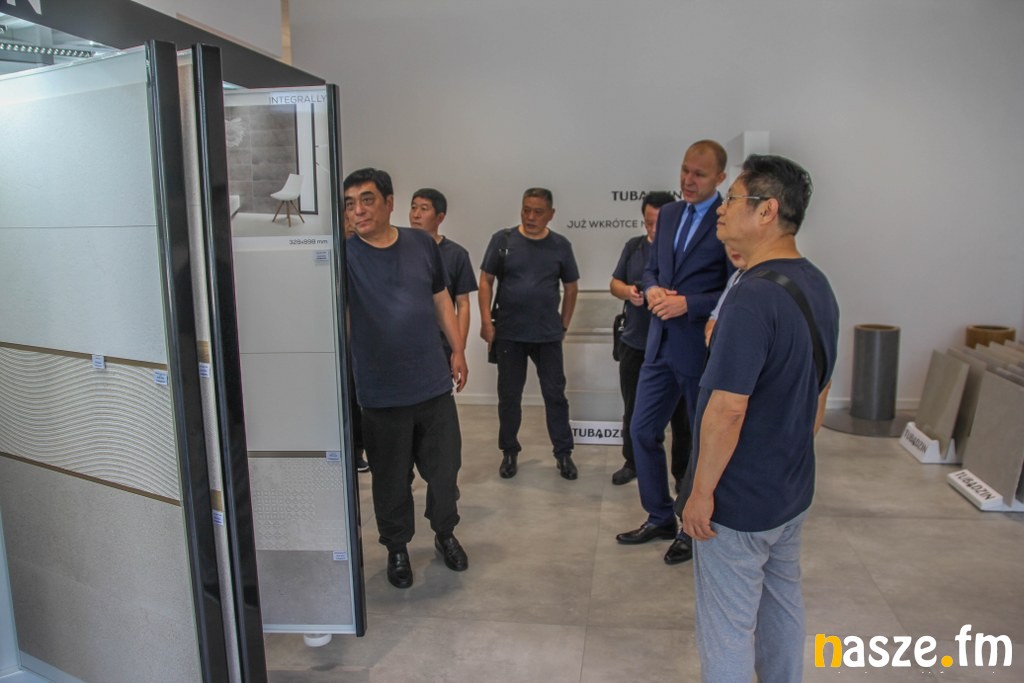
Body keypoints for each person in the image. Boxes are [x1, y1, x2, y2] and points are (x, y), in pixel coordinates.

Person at [682, 154, 839, 682]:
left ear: (767, 210)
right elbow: (820, 386)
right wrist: (788, 455)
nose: (721, 209)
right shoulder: (816, 283)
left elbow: (729, 408)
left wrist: (702, 493)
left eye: (731, 199)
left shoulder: (751, 297)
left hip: (740, 499)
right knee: (781, 603)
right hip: (789, 489)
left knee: (727, 627)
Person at [343, 167, 469, 589]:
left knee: (445, 471)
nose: (358, 211)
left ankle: (445, 533)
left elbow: (441, 298)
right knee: (391, 480)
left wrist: (458, 350)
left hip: (431, 383)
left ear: (389, 202)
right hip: (380, 392)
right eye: (350, 204)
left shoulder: (420, 243)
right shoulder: (344, 256)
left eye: (367, 200)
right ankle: (396, 548)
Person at [616, 140, 731, 566]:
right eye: (685, 170)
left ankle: (690, 525)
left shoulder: (727, 219)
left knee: (701, 441)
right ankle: (660, 516)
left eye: (699, 174)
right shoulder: (667, 215)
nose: (688, 180)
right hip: (658, 344)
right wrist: (651, 290)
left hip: (700, 349)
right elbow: (651, 270)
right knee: (642, 431)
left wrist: (689, 304)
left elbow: (734, 287)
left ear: (720, 178)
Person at [478, 188, 580, 480]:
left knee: (555, 394)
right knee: (509, 396)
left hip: (547, 334)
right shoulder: (503, 240)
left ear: (551, 214)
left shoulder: (560, 245)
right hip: (509, 332)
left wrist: (563, 325)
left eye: (538, 211)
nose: (530, 216)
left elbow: (571, 287)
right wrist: (486, 321)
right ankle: (509, 451)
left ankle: (563, 453)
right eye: (526, 210)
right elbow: (485, 280)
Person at [609, 191, 691, 487]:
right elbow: (615, 283)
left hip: (676, 345)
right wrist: (628, 292)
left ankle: (683, 473)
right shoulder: (634, 247)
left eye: (659, 223)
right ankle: (632, 462)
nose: (653, 229)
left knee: (682, 416)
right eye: (648, 222)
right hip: (636, 343)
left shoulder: (686, 251)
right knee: (634, 410)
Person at [409, 188, 477, 358]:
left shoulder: (457, 255)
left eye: (424, 209)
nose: (416, 215)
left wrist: (459, 349)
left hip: (441, 343)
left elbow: (463, 304)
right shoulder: (399, 249)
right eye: (413, 207)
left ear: (440, 218)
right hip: (405, 340)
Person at [704, 247, 747, 346]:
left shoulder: (765, 278)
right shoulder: (736, 275)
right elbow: (714, 318)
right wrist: (711, 333)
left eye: (736, 242)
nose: (733, 249)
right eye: (727, 243)